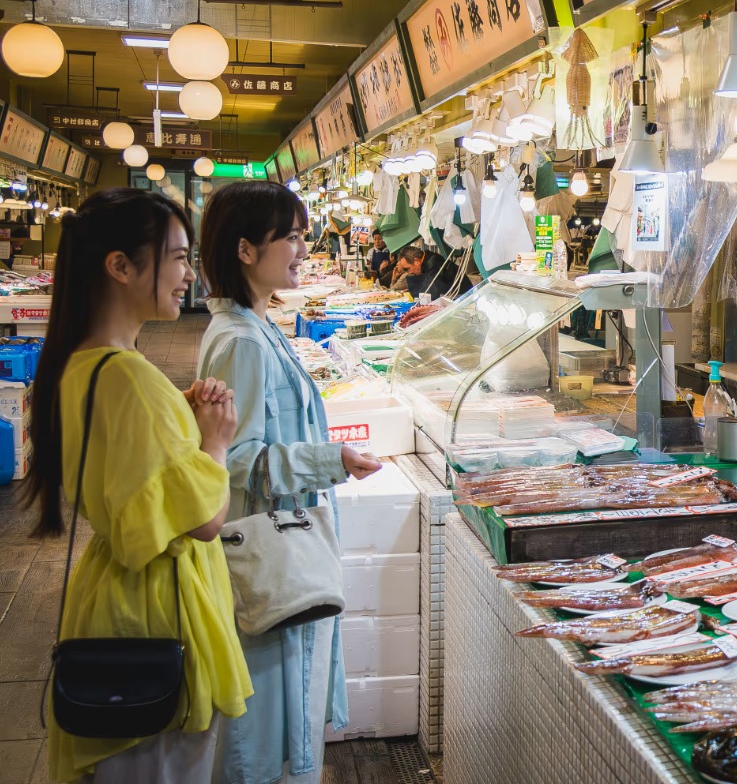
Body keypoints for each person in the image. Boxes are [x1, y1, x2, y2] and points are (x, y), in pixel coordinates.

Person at [23, 188, 252, 783]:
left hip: (108, 599)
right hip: (154, 610)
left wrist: (177, 412)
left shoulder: (79, 364)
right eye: (176, 258)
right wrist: (216, 442)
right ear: (120, 266)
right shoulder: (129, 378)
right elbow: (203, 520)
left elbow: (126, 458)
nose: (188, 276)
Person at [197, 181, 382, 784]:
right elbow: (233, 459)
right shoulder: (242, 344)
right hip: (268, 558)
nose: (304, 248)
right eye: (293, 237)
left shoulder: (253, 326)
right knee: (265, 730)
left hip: (279, 550)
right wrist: (333, 460)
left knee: (276, 722)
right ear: (246, 250)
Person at [390, 244, 458, 300]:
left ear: (417, 261)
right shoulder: (427, 261)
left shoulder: (434, 264)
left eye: (408, 268)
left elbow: (429, 294)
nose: (409, 272)